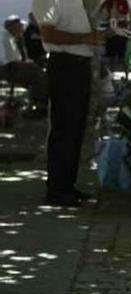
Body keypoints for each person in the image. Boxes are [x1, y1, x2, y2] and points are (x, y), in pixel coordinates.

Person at [31, 0, 102, 207]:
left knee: (75, 128)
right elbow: (48, 34)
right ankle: (57, 189)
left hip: (79, 65)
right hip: (65, 65)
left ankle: (66, 184)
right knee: (64, 127)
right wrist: (84, 38)